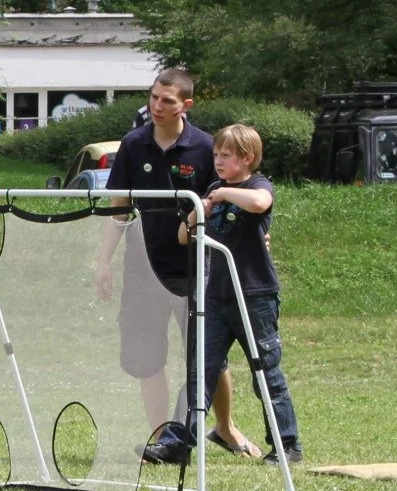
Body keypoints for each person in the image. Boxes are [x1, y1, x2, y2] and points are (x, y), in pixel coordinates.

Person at [90, 67, 230, 466]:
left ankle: (225, 427)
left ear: (186, 104)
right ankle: (161, 440)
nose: (157, 106)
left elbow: (221, 206)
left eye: (166, 100)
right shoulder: (133, 144)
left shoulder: (205, 147)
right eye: (153, 98)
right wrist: (103, 262)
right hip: (143, 269)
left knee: (206, 355)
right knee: (147, 358)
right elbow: (118, 208)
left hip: (193, 268)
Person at [177, 124, 301, 463]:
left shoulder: (256, 185)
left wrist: (224, 195)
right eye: (216, 154)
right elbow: (183, 237)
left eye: (226, 155)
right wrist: (198, 209)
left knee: (266, 373)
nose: (218, 160)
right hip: (216, 296)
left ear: (247, 158)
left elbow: (260, 203)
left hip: (255, 295)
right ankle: (180, 442)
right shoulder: (215, 189)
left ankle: (287, 446)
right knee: (201, 369)